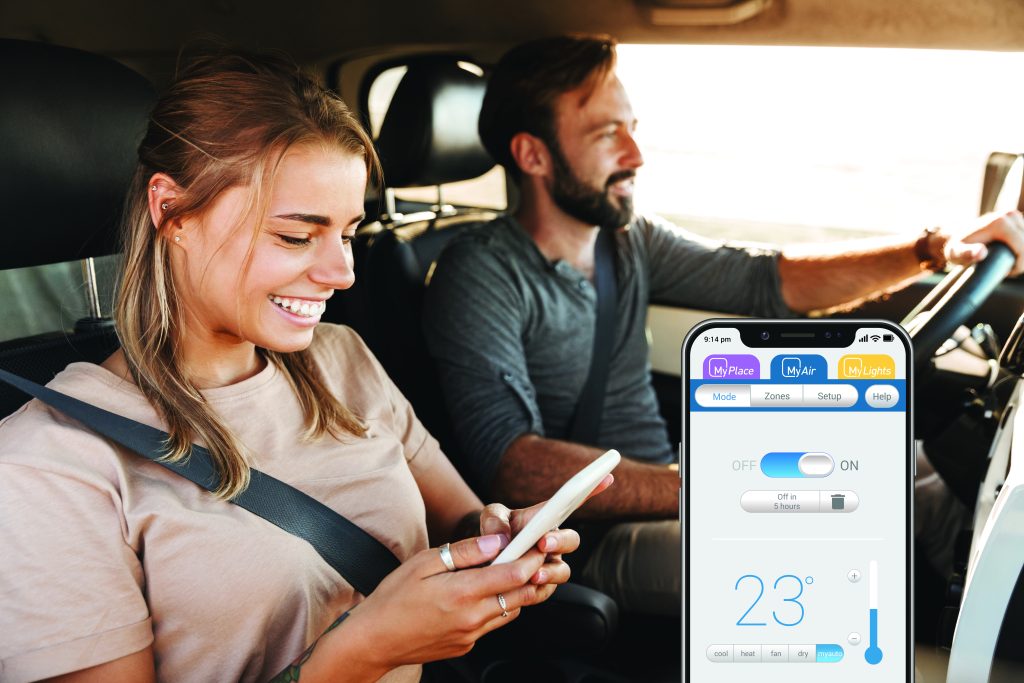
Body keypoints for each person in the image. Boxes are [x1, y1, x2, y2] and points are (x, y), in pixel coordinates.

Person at [0, 52, 609, 683]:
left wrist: (501, 539)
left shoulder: (340, 357)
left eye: (348, 233)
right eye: (296, 236)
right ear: (172, 212)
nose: (342, 274)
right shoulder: (46, 465)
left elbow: (458, 515)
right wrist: (366, 650)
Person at [421, 34, 1024, 616]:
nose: (636, 154)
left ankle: (983, 615)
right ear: (533, 155)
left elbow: (768, 281)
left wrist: (931, 249)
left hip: (671, 494)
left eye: (633, 128)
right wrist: (704, 482)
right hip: (587, 542)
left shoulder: (627, 241)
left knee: (899, 459)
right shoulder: (480, 273)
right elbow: (513, 462)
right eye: (609, 135)